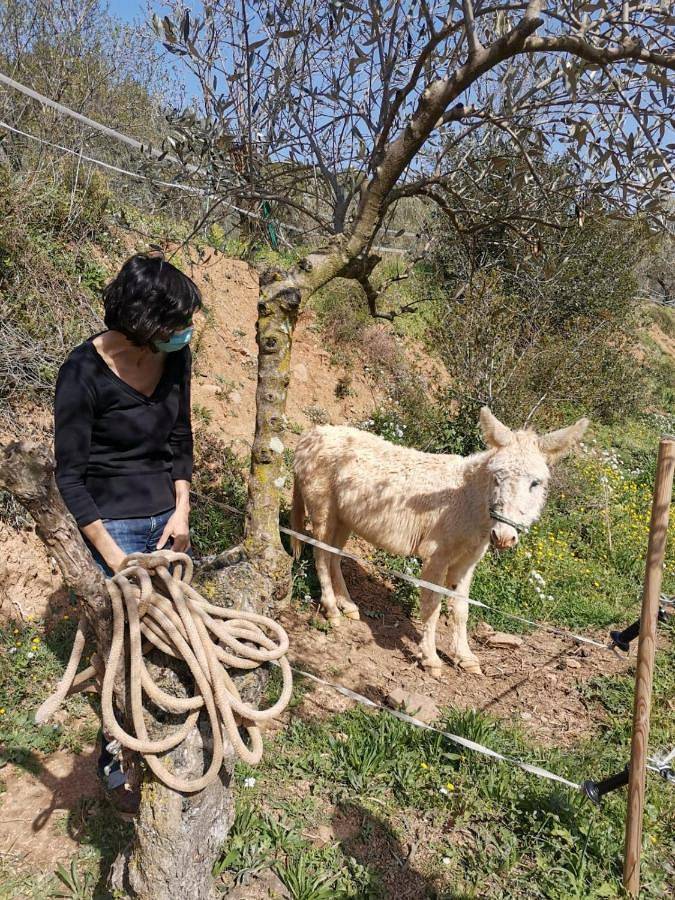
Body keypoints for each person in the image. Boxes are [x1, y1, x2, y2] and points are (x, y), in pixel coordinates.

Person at [53, 251, 202, 813]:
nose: (185, 332)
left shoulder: (177, 356)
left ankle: (165, 744)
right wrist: (112, 554)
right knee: (120, 653)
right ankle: (115, 750)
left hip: (168, 523)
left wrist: (182, 508)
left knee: (171, 644)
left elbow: (180, 437)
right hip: (110, 531)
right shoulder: (82, 373)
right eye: (176, 322)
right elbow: (69, 475)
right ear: (144, 325)